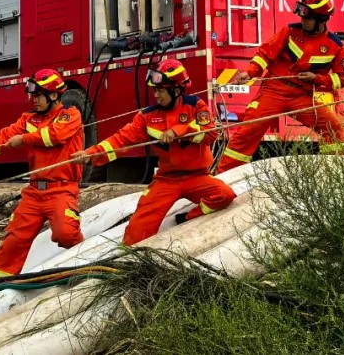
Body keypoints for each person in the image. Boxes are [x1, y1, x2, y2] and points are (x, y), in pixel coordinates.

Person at [71, 58, 234, 245]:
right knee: (137, 232)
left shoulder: (196, 106)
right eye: (154, 90)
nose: (156, 95)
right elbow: (121, 140)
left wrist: (178, 131)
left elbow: (211, 134)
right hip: (167, 180)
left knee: (225, 195)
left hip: (198, 177)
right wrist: (90, 154)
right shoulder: (147, 116)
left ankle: (187, 217)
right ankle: (130, 256)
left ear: (176, 90)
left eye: (160, 90)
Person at [0, 68, 85, 279]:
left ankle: (85, 266)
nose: (33, 100)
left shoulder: (70, 115)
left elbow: (56, 135)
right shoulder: (28, 120)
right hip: (34, 193)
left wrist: (24, 139)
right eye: (32, 95)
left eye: (38, 95)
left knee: (65, 233)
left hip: (61, 190)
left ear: (53, 95)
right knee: (14, 240)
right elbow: (0, 139)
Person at [216, 0, 344, 173]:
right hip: (273, 90)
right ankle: (223, 176)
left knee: (332, 128)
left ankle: (333, 173)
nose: (302, 20)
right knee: (248, 131)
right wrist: (250, 73)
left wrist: (317, 79)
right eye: (301, 15)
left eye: (307, 17)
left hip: (302, 97)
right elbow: (264, 54)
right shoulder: (289, 31)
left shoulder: (335, 46)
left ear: (321, 19)